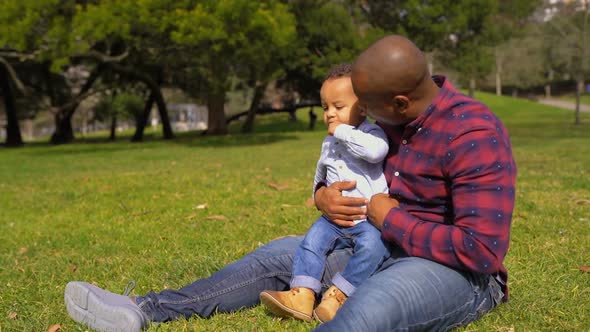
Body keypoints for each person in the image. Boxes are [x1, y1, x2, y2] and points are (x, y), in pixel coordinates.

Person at [64, 35, 516, 332]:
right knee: (277, 255)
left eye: (368, 110)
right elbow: (343, 162)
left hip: (453, 272)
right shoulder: (393, 111)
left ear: (398, 103)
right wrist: (323, 196)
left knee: (372, 310)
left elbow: (481, 251)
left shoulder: (473, 134)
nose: (356, 119)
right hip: (372, 244)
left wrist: (391, 217)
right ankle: (143, 309)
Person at [259, 64, 390, 323]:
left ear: (363, 108)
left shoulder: (371, 132)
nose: (330, 114)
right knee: (311, 243)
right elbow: (321, 173)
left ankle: (338, 295)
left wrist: (342, 131)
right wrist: (319, 195)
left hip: (366, 219)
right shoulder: (328, 141)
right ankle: (303, 294)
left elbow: (376, 152)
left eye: (338, 107)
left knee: (374, 247)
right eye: (325, 108)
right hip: (333, 220)